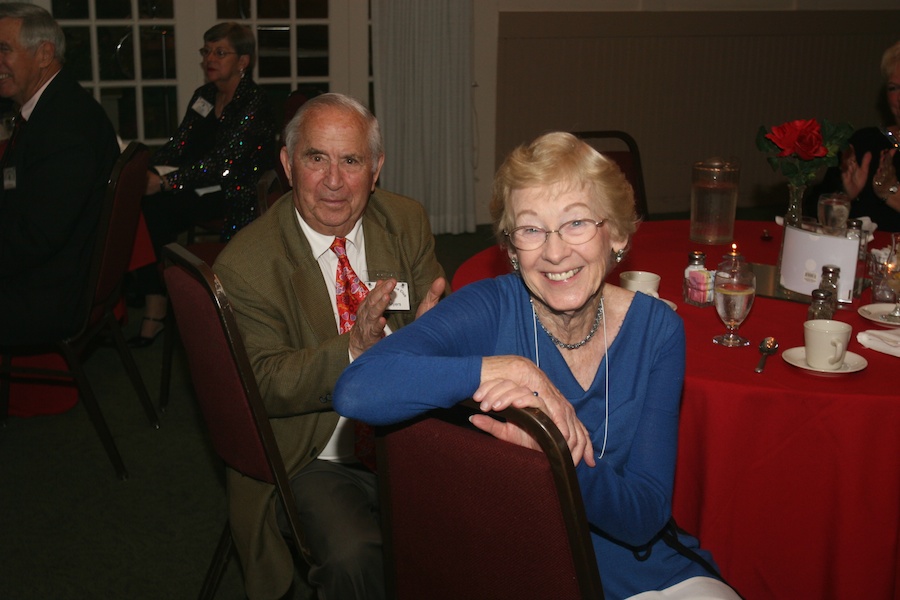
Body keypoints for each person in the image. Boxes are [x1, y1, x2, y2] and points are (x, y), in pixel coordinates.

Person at [335, 132, 743, 600]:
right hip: (512, 557)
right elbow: (357, 388)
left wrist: (552, 460)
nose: (554, 252)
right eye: (531, 229)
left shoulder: (657, 333)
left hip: (635, 564)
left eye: (576, 224)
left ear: (618, 234)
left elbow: (644, 517)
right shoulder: (489, 309)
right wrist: (502, 369)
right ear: (511, 248)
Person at [213, 92, 447, 600]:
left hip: (409, 426)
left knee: (502, 509)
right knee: (354, 556)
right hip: (314, 446)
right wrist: (353, 351)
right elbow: (265, 383)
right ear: (287, 164)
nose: (334, 181)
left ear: (377, 167)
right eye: (316, 158)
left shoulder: (404, 221)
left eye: (351, 160)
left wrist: (439, 332)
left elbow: (435, 310)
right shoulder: (246, 264)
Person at [129, 22, 277, 347]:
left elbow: (224, 162)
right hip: (197, 185)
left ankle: (160, 299)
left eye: (220, 52)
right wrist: (145, 171)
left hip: (235, 192)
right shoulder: (205, 96)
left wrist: (167, 182)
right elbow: (178, 145)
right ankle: (157, 295)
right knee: (138, 203)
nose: (210, 58)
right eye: (206, 51)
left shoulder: (254, 101)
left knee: (153, 209)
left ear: (243, 61)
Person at [0, 3, 120, 346]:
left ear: (44, 54)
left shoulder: (65, 128)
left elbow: (35, 239)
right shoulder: (54, 105)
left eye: (4, 50)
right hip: (54, 274)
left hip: (51, 294)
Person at [811, 40, 900, 232]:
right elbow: (812, 217)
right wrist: (845, 198)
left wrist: (892, 193)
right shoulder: (865, 142)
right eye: (894, 88)